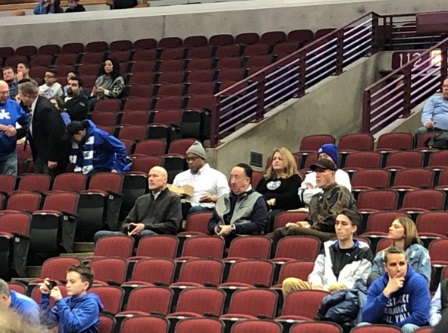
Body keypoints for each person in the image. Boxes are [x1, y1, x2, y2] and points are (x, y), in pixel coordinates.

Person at [282, 209, 373, 296]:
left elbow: (360, 281)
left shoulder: (363, 251)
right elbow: (316, 272)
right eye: (337, 223)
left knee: (336, 287)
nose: (339, 227)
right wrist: (316, 284)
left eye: (344, 224)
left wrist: (330, 287)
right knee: (289, 283)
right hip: (322, 287)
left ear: (353, 228)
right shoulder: (327, 247)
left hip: (345, 291)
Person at [272, 158, 355, 248]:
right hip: (318, 231)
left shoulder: (341, 191)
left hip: (335, 234)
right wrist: (299, 224)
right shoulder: (316, 197)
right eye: (316, 172)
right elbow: (310, 221)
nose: (317, 175)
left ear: (332, 174)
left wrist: (307, 227)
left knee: (292, 230)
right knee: (279, 232)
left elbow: (333, 221)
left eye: (321, 171)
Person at [94, 166, 182, 242]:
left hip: (158, 235)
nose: (150, 179)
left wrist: (145, 226)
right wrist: (130, 227)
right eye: (149, 176)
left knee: (146, 233)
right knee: (100, 235)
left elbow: (172, 225)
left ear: (164, 180)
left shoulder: (173, 198)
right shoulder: (141, 199)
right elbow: (126, 222)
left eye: (155, 176)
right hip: (136, 233)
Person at [361, 246, 430, 333]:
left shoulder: (418, 282)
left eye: (402, 264)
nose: (399, 269)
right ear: (385, 267)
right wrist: (385, 293)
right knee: (362, 326)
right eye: (393, 264)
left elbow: (421, 316)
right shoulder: (377, 285)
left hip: (403, 329)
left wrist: (394, 330)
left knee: (408, 328)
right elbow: (367, 317)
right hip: (385, 330)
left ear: (407, 263)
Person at [208, 163, 268, 245]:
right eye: (231, 177)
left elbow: (258, 225)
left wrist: (232, 228)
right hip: (220, 238)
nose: (232, 181)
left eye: (237, 177)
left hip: (243, 240)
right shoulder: (222, 198)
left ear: (247, 180)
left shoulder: (257, 199)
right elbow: (213, 220)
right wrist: (215, 228)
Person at [17, 81, 66, 176]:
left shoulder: (44, 108)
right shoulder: (37, 105)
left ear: (27, 96)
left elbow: (55, 133)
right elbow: (34, 126)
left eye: (21, 96)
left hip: (49, 155)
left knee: (47, 182)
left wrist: (53, 158)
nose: (20, 99)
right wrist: (16, 132)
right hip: (40, 152)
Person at [172, 141, 229, 219]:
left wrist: (214, 199)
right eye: (188, 159)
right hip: (184, 206)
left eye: (193, 159)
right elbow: (171, 197)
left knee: (194, 209)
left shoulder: (217, 176)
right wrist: (177, 195)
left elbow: (226, 199)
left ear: (203, 159)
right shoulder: (180, 176)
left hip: (206, 208)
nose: (190, 162)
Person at [40, 264, 103, 333]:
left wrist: (59, 300)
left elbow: (73, 328)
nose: (68, 285)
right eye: (67, 282)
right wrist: (45, 296)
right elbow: (46, 323)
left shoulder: (91, 304)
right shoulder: (65, 301)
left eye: (72, 282)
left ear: (85, 285)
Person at [368, 217, 431, 284]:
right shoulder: (381, 255)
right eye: (391, 226)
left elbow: (424, 280)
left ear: (406, 232)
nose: (390, 228)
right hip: (385, 290)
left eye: (396, 227)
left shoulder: (420, 251)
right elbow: (373, 277)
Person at [255, 147, 303, 233]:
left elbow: (291, 197)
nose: (276, 161)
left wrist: (273, 201)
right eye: (274, 159)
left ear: (288, 161)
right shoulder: (266, 179)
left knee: (268, 216)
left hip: (282, 208)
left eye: (280, 159)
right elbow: (256, 194)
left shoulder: (294, 179)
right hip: (263, 207)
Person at [0, 80, 29, 176]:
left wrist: (15, 132)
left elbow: (27, 122)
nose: (5, 95)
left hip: (9, 152)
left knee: (9, 182)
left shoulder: (14, 105)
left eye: (7, 92)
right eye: (2, 93)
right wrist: (5, 128)